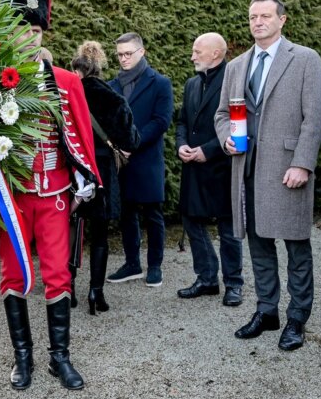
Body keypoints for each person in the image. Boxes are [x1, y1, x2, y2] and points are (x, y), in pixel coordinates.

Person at [0, 0, 101, 391]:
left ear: (44, 32)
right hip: (14, 196)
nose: (30, 37)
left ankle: (61, 357)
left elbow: (81, 136)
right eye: (22, 30)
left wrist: (83, 183)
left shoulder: (67, 81)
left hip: (56, 193)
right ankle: (23, 359)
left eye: (36, 30)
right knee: (15, 275)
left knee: (58, 274)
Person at [214, 0, 321, 351]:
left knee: (296, 248)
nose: (257, 22)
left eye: (264, 16)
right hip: (245, 168)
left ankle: (297, 318)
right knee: (258, 245)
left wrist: (303, 163)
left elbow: (313, 118)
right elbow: (222, 116)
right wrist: (227, 140)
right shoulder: (235, 67)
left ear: (282, 20)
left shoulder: (305, 59)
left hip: (286, 169)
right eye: (252, 17)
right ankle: (267, 310)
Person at [69, 42, 140, 315]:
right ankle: (95, 292)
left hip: (72, 169)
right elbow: (131, 138)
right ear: (99, 68)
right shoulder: (112, 97)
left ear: (76, 68)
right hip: (101, 172)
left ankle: (69, 289)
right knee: (99, 235)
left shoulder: (63, 94)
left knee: (71, 230)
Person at [175, 33, 244, 307]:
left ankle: (234, 285)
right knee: (192, 221)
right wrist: (181, 145)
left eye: (197, 51)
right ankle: (206, 278)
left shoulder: (234, 80)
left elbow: (239, 124)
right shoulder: (192, 83)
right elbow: (181, 122)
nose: (192, 56)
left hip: (222, 165)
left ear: (216, 54)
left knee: (228, 228)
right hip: (193, 165)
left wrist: (209, 150)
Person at [106, 33, 172, 287]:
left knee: (153, 214)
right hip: (121, 159)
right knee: (127, 213)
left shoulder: (160, 83)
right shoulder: (112, 85)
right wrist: (117, 146)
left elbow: (161, 121)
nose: (123, 59)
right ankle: (132, 263)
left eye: (128, 54)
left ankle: (155, 266)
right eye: (120, 54)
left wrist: (133, 143)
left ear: (141, 52)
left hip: (147, 158)